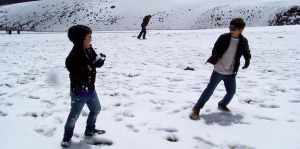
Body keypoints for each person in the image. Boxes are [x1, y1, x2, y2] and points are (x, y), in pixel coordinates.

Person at [190, 18, 251, 120]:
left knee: (231, 92)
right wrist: (216, 55)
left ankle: (222, 104)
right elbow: (215, 48)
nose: (231, 30)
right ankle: (196, 109)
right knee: (209, 90)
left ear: (241, 30)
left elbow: (246, 51)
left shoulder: (243, 41)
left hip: (231, 72)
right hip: (218, 70)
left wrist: (247, 59)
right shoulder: (224, 38)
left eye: (234, 28)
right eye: (230, 27)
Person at [61, 25, 106, 147]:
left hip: (91, 90)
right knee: (74, 116)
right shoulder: (72, 57)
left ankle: (90, 130)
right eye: (88, 38)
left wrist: (100, 60)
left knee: (96, 109)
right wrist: (90, 66)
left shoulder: (90, 50)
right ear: (80, 39)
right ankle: (66, 137)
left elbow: (96, 63)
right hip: (79, 92)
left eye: (91, 37)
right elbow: (77, 75)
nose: (90, 40)